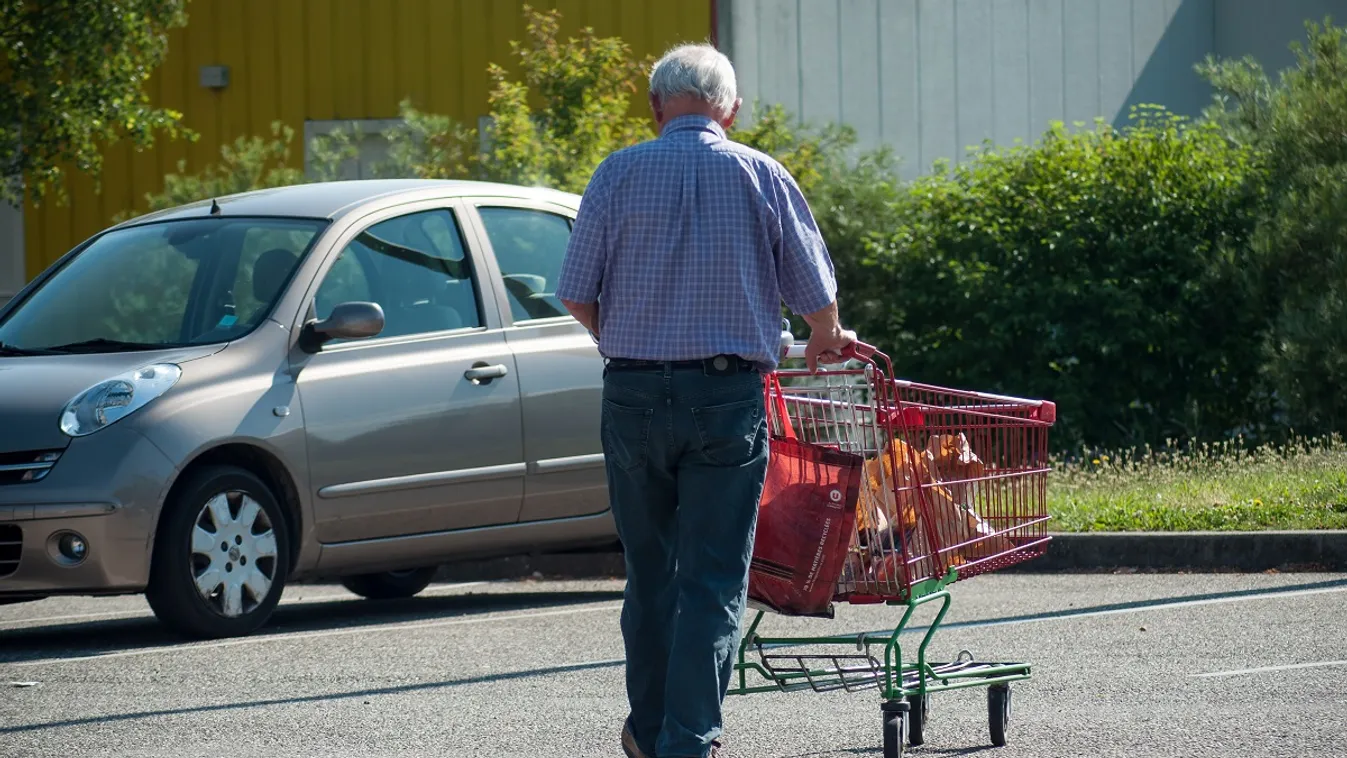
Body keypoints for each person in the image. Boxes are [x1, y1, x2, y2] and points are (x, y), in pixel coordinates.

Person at [555, 43, 856, 758]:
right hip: (724, 396)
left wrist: (623, 339)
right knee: (714, 575)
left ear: (655, 106)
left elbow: (574, 289)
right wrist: (824, 337)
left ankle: (651, 731)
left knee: (650, 572)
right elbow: (815, 297)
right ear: (731, 109)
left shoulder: (616, 172)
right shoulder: (761, 174)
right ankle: (688, 742)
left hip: (630, 391)